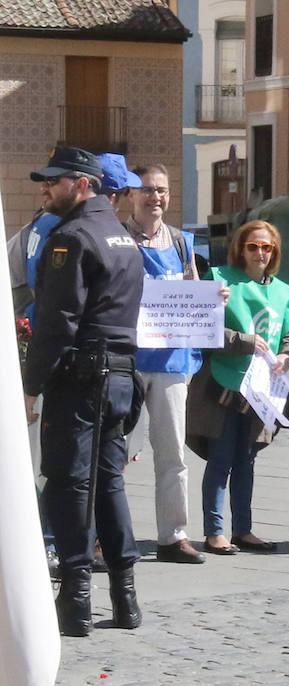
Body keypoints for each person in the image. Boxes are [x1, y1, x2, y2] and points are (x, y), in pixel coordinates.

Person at [23, 146, 145, 635]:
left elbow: (56, 323)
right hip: (118, 376)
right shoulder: (121, 236)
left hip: (79, 378)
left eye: (53, 180)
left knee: (68, 482)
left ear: (82, 184)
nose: (44, 189)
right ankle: (125, 596)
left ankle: (74, 599)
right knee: (109, 483)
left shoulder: (70, 238)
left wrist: (29, 387)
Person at [186, 220, 289, 555]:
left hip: (262, 389)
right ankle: (214, 531)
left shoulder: (284, 291)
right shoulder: (220, 279)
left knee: (247, 459)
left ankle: (244, 530)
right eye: (253, 246)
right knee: (221, 458)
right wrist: (244, 341)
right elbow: (202, 327)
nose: (261, 253)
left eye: (267, 247)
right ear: (241, 248)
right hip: (224, 383)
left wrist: (287, 356)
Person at [124, 163, 208, 564]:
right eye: (147, 190)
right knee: (116, 453)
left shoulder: (181, 244)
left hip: (173, 361)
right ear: (130, 195)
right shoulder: (117, 239)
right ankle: (103, 536)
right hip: (128, 361)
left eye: (162, 190)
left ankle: (173, 536)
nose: (155, 197)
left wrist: (213, 300)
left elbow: (193, 291)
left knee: (173, 453)